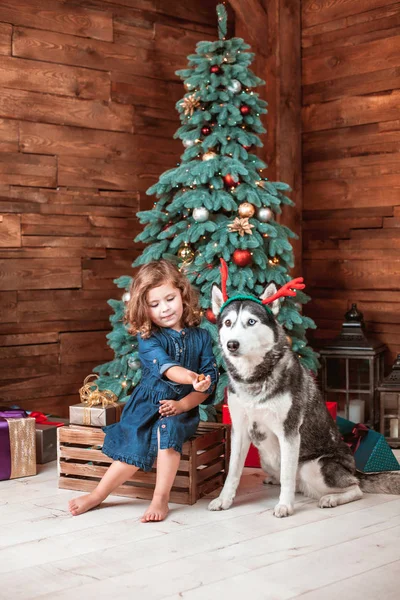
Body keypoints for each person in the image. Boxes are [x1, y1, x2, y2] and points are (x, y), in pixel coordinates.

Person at [68, 259, 219, 522]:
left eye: (170, 298)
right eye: (155, 304)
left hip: (182, 407)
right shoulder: (149, 338)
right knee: (134, 444)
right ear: (144, 308)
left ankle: (161, 498)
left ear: (182, 294)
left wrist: (186, 402)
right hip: (146, 404)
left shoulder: (202, 336)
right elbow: (167, 368)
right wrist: (191, 376)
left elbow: (210, 382)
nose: (165, 309)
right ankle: (98, 494)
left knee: (167, 430)